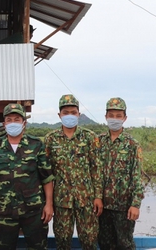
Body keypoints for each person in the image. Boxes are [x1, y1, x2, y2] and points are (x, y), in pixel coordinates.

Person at [0, 103, 54, 250]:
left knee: (38, 246)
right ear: (4, 124)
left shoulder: (36, 145)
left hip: (33, 212)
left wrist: (49, 204)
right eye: (9, 120)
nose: (13, 123)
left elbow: (47, 178)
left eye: (17, 119)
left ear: (24, 123)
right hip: (4, 211)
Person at [44, 94, 103, 250]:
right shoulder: (51, 139)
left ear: (78, 114)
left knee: (89, 240)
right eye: (65, 112)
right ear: (59, 115)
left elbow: (96, 169)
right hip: (61, 201)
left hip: (87, 200)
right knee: (62, 240)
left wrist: (98, 197)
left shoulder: (90, 137)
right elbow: (47, 173)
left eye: (73, 112)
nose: (69, 115)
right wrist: (48, 202)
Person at [98, 97, 144, 250]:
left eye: (118, 116)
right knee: (105, 244)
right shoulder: (98, 142)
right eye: (111, 115)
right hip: (102, 207)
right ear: (106, 117)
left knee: (125, 244)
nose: (114, 119)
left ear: (125, 118)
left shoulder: (132, 144)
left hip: (124, 207)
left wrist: (135, 204)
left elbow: (137, 176)